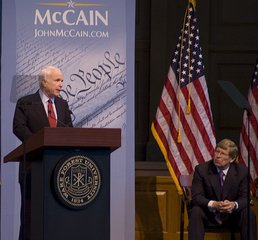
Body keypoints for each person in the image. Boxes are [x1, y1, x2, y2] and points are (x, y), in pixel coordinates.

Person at [13, 66, 73, 240]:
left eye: (62, 80)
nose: (61, 84)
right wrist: (38, 145)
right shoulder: (26, 102)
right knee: (31, 217)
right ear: (44, 81)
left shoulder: (63, 104)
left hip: (59, 170)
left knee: (55, 217)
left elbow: (69, 131)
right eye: (57, 80)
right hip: (33, 169)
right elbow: (18, 127)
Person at [188, 138, 257, 240]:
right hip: (209, 214)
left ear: (232, 159)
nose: (218, 156)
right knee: (196, 211)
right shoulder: (202, 169)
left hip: (232, 215)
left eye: (223, 154)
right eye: (217, 152)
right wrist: (214, 204)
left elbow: (245, 197)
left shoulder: (241, 171)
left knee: (248, 212)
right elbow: (196, 197)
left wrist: (234, 205)